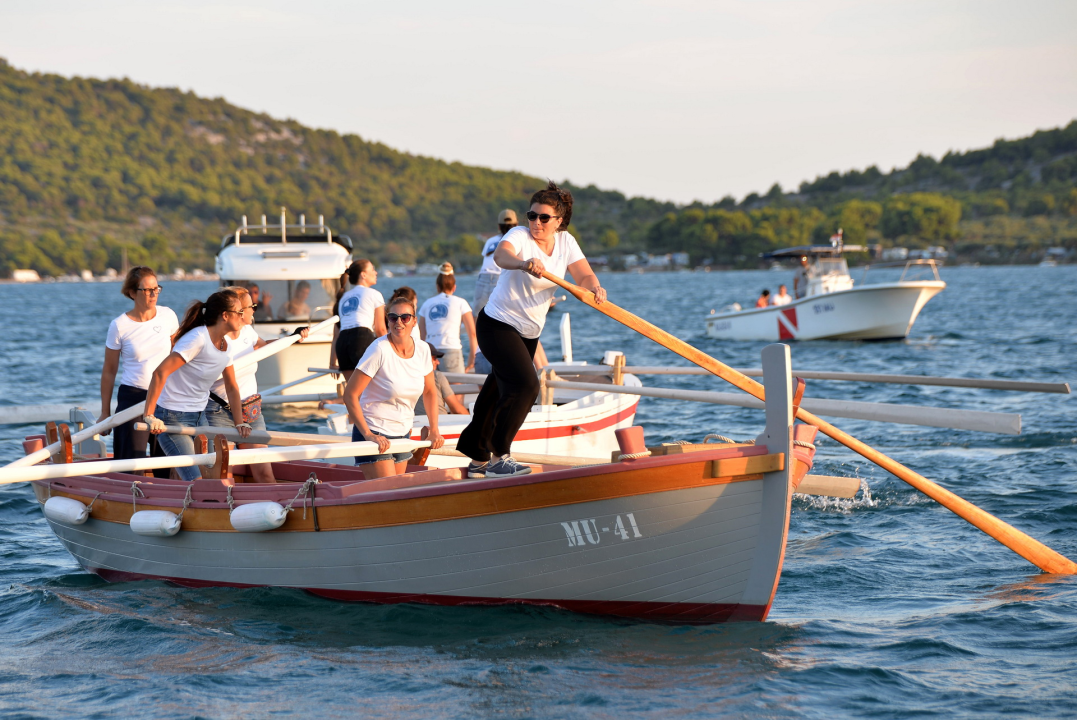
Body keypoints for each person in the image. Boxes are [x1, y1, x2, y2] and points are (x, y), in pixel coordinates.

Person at [457, 181, 606, 479]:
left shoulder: (566, 243)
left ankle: (476, 457)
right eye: (532, 215)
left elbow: (584, 274)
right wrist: (524, 264)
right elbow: (502, 256)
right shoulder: (519, 235)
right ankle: (501, 456)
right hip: (497, 324)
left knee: (495, 390)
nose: (536, 223)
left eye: (544, 218)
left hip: (527, 333)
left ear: (558, 222)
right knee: (526, 386)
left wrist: (594, 288)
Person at [142, 289, 252, 481]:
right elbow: (160, 372)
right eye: (239, 312)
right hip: (172, 417)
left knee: (211, 475)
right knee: (196, 480)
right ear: (225, 316)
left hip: (200, 418)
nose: (243, 316)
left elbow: (232, 387)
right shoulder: (198, 338)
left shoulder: (226, 346)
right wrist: (149, 416)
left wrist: (239, 422)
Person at [204, 287, 308, 483]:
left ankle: (278, 509)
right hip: (219, 411)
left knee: (264, 472)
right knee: (225, 475)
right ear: (239, 311)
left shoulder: (248, 331)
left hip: (250, 410)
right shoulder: (218, 338)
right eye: (252, 306)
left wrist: (292, 339)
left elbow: (262, 346)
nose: (255, 309)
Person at [342, 296, 444, 479]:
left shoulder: (423, 349)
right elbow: (350, 394)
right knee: (391, 492)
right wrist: (368, 434)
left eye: (405, 317)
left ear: (414, 321)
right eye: (392, 317)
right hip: (375, 432)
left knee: (396, 494)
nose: (399, 322)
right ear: (387, 320)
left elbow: (429, 391)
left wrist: (435, 430)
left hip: (403, 433)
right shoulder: (379, 349)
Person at [98, 266, 180, 460]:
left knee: (167, 463)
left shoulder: (168, 315)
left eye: (156, 288)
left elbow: (179, 357)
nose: (154, 294)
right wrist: (104, 413)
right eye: (147, 290)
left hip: (165, 397)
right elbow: (109, 371)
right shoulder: (119, 325)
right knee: (130, 462)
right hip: (133, 398)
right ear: (132, 293)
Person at [331, 260, 387, 382]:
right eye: (372, 269)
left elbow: (336, 334)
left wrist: (332, 362)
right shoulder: (374, 294)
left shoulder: (343, 298)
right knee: (369, 391)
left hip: (342, 344)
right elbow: (380, 329)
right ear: (363, 275)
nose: (376, 272)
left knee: (353, 394)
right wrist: (392, 353)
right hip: (361, 338)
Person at [419, 262, 477, 374]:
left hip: (430, 353)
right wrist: (471, 359)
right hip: (451, 351)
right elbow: (473, 334)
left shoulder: (427, 304)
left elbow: (422, 336)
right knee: (457, 390)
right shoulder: (461, 303)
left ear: (437, 286)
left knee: (433, 390)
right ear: (454, 287)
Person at [474, 209, 517, 319]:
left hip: (483, 278)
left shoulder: (490, 241)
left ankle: (474, 336)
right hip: (500, 278)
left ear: (499, 227)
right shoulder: (516, 241)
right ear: (516, 226)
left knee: (478, 316)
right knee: (502, 318)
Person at [415, 342, 469, 417]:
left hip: (414, 423)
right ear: (424, 359)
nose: (438, 362)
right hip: (440, 422)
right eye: (434, 358)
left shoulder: (403, 376)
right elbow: (456, 409)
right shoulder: (437, 375)